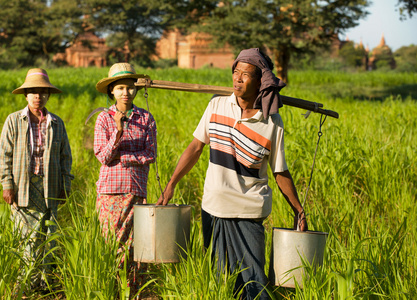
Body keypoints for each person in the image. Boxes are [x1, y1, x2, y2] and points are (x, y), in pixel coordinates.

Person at [157, 48, 308, 299]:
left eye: (245, 74)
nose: (237, 78)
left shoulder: (271, 122)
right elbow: (195, 147)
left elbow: (280, 170)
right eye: (235, 72)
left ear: (260, 81)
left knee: (254, 281)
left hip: (249, 209)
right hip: (214, 206)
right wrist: (171, 184)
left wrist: (299, 210)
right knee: (220, 281)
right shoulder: (217, 105)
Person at [0, 68, 74, 295]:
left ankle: (45, 284)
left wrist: (65, 186)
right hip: (23, 186)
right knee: (26, 237)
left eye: (42, 92)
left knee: (48, 236)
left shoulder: (56, 123)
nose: (37, 96)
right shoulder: (14, 121)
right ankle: (26, 284)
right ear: (26, 95)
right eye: (33, 92)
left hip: (49, 185)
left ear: (48, 95)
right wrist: (7, 184)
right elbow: (4, 155)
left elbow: (65, 157)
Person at [94, 63, 157, 298]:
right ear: (111, 91)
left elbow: (150, 154)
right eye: (120, 88)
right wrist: (118, 132)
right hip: (111, 192)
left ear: (136, 91)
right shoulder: (104, 119)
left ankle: (135, 292)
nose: (125, 93)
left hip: (137, 191)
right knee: (113, 244)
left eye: (130, 88)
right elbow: (103, 156)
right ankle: (112, 290)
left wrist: (126, 158)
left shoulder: (146, 118)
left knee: (135, 245)